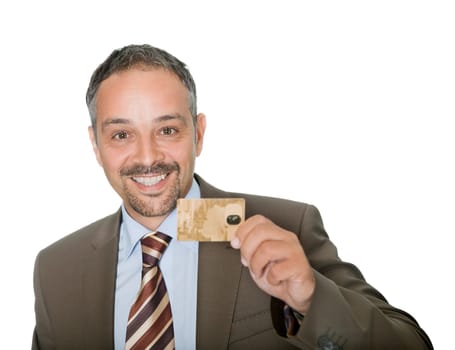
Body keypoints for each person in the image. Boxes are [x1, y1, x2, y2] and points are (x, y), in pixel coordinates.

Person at [32, 44, 433, 350]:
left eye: (167, 130)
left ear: (199, 133)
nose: (147, 156)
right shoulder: (57, 270)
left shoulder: (284, 226)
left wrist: (312, 296)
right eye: (121, 135)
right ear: (96, 145)